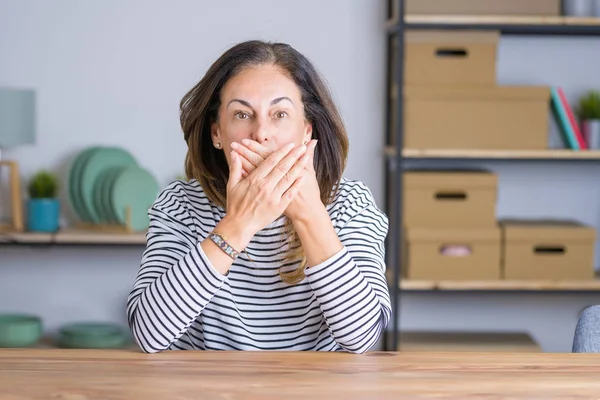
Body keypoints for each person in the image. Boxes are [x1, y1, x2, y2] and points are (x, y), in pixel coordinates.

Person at [126, 40, 391, 353]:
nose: (261, 133)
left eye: (279, 114)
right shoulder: (180, 205)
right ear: (217, 134)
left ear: (306, 131)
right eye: (241, 115)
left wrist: (309, 214)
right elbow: (148, 335)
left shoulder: (351, 203)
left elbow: (362, 339)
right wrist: (238, 224)